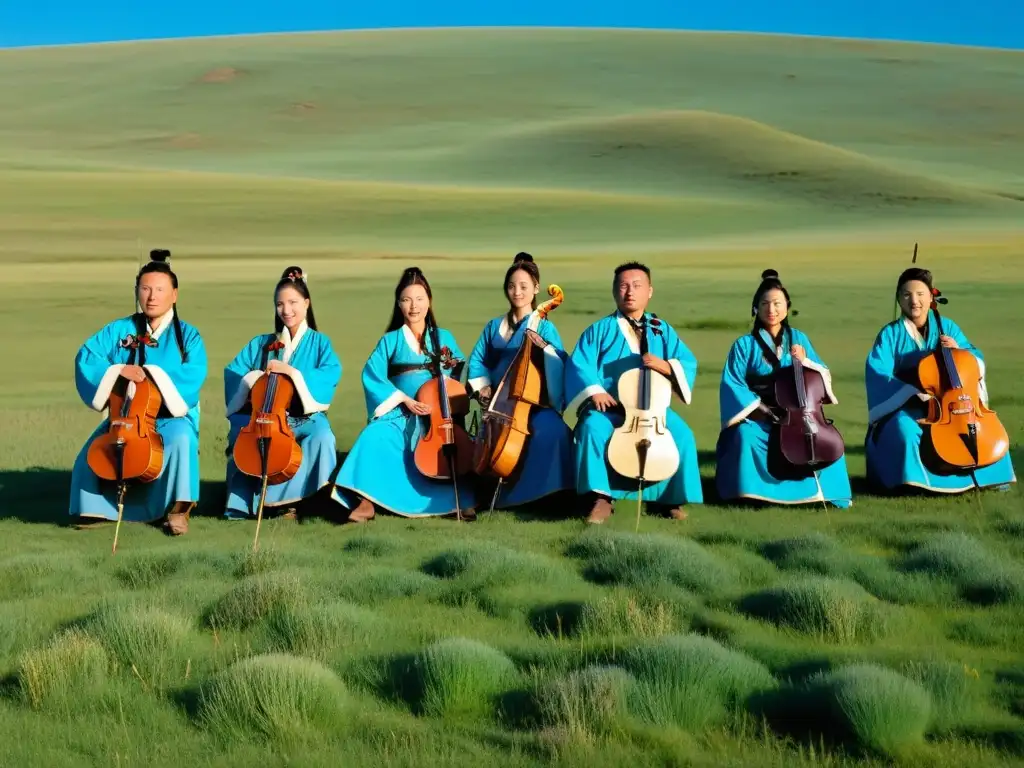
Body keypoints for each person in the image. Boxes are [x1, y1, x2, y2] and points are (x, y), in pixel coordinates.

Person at [69, 249, 208, 535]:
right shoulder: (119, 329)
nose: (152, 296)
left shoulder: (188, 336)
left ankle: (178, 509)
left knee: (181, 440)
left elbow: (194, 374)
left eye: (159, 289)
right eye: (145, 289)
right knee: (89, 456)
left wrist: (150, 373)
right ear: (137, 291)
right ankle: (97, 510)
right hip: (125, 417)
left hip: (170, 417)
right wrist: (117, 369)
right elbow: (88, 356)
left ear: (174, 294)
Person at [564, 261, 703, 523]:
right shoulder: (599, 330)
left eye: (637, 286)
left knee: (683, 435)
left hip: (652, 411)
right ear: (615, 291)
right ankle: (601, 498)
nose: (630, 292)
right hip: (610, 409)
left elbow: (687, 362)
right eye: (624, 286)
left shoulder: (662, 329)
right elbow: (579, 363)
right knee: (592, 429)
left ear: (649, 291)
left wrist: (664, 365)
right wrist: (595, 392)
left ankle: (669, 500)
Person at [335, 267, 477, 520]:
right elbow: (372, 376)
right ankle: (367, 501)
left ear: (429, 301)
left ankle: (456, 499)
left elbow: (457, 375)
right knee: (374, 435)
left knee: (452, 447)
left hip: (436, 417)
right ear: (399, 304)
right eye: (406, 299)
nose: (414, 306)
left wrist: (440, 395)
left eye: (420, 299)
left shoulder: (443, 338)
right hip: (400, 412)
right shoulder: (389, 341)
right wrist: (405, 400)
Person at [865, 267, 1017, 493]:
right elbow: (878, 372)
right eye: (906, 295)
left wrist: (959, 350)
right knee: (904, 429)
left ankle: (990, 476)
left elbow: (975, 359)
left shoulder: (948, 327)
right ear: (898, 299)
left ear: (931, 297)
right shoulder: (890, 334)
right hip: (909, 404)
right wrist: (910, 391)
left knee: (980, 425)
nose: (914, 301)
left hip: (951, 402)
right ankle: (915, 482)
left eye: (920, 294)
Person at [715, 270, 853, 507]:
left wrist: (805, 360)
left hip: (799, 415)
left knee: (825, 439)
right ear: (755, 308)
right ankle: (752, 494)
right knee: (744, 436)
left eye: (777, 303)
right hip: (760, 416)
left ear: (787, 307)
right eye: (765, 303)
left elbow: (821, 375)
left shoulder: (799, 338)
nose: (771, 309)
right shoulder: (743, 345)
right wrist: (761, 410)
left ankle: (827, 495)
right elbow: (733, 384)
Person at [222, 266, 343, 520]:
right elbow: (234, 372)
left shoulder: (321, 344)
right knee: (244, 433)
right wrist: (252, 380)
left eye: (293, 303)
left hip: (304, 416)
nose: (286, 310)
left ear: (307, 303)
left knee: (322, 436)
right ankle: (256, 504)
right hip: (265, 416)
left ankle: (302, 499)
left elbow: (331, 372)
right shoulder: (261, 343)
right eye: (280, 304)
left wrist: (292, 373)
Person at [466, 252, 574, 510]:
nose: (517, 292)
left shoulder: (545, 326)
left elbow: (560, 360)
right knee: (489, 444)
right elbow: (478, 359)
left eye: (524, 286)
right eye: (512, 286)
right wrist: (483, 387)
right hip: (498, 403)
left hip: (533, 403)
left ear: (536, 288)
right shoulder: (494, 326)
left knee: (555, 432)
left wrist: (545, 348)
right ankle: (488, 494)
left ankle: (551, 496)